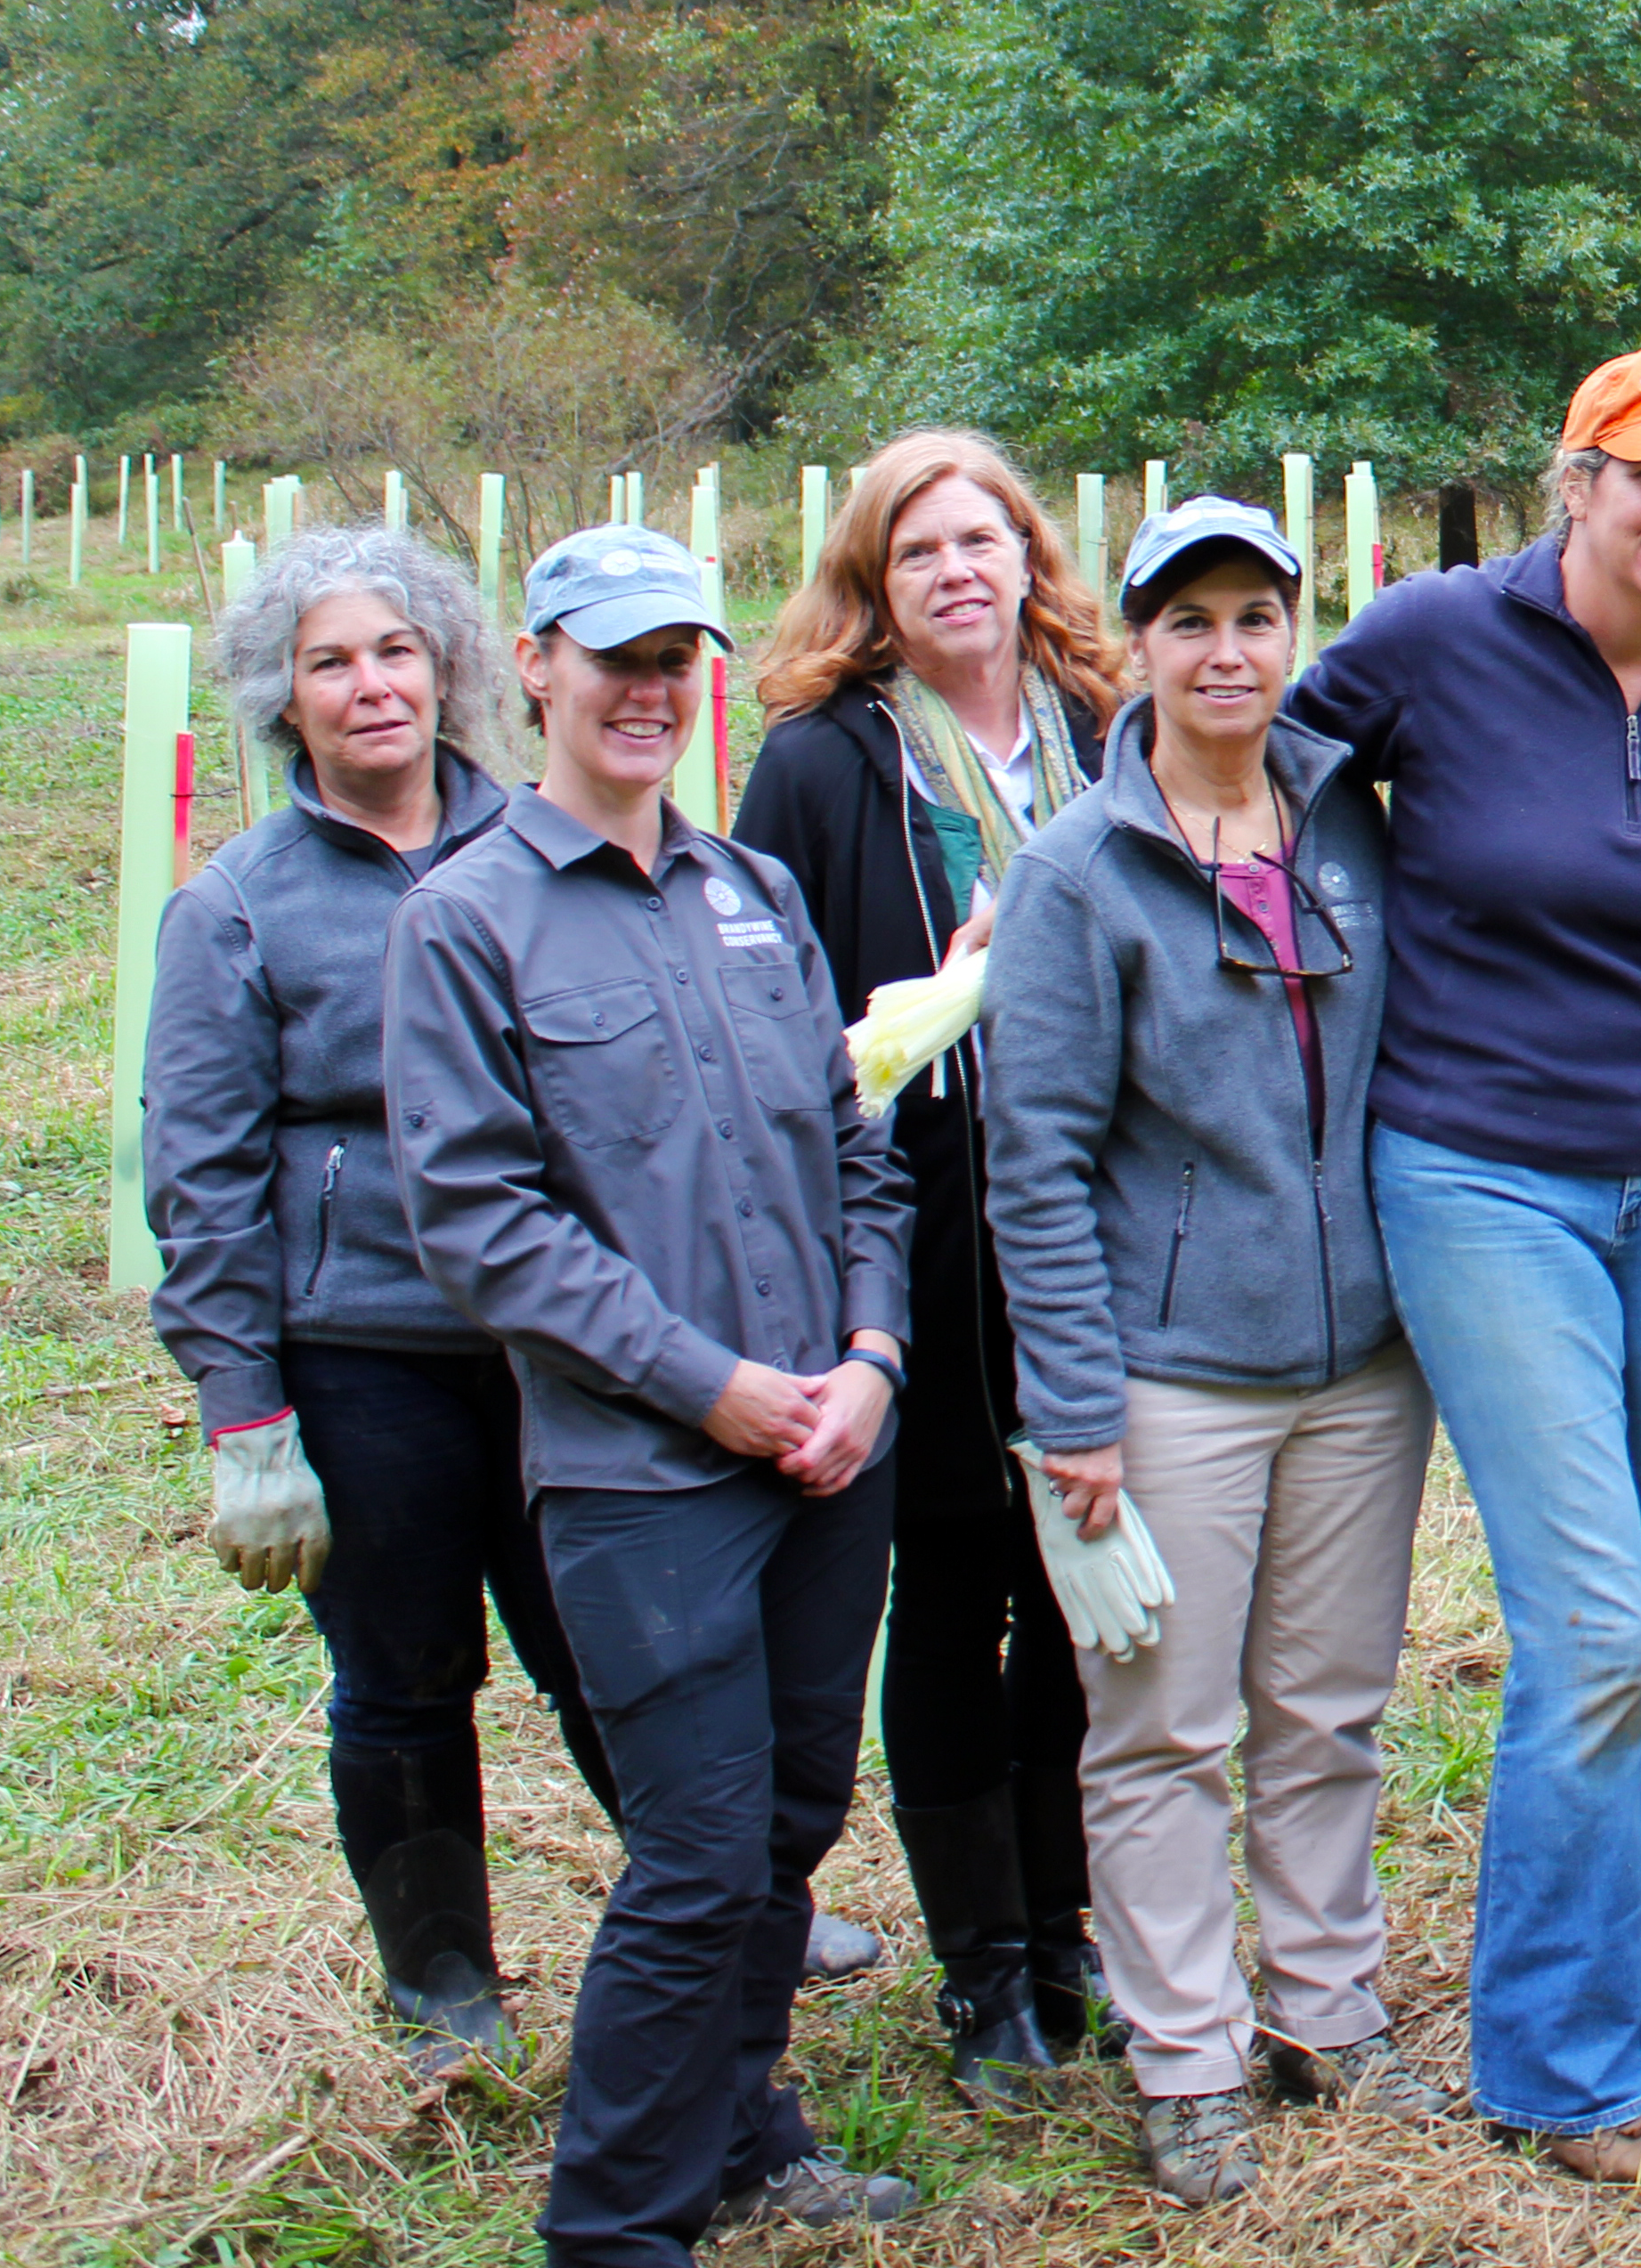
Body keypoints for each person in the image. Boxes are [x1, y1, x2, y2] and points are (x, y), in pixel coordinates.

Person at [1284, 349, 1641, 2184]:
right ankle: (1558, 2060)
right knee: (1594, 1628)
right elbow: (1248, 776)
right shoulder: (1434, 637)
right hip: (1479, 1170)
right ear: (1571, 482)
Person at [385, 527, 922, 2257]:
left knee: (787, 1819)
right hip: (645, 1476)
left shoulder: (750, 896)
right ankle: (614, 2224)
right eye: (608, 654)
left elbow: (863, 1155)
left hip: (828, 1454)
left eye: (675, 652)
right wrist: (724, 1395)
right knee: (694, 1848)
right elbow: (488, 1230)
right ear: (532, 666)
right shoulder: (466, 922)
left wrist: (871, 1359)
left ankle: (747, 2128)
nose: (645, 687)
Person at [982, 498, 1441, 2206]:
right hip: (1171, 1372)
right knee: (1164, 1728)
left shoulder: (1352, 822)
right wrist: (1073, 1412)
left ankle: (1331, 2004)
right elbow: (1032, 1158)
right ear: (1141, 646)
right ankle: (1186, 2052)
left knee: (1329, 1706)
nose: (1229, 653)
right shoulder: (1077, 875)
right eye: (1192, 624)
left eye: (1257, 618)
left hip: (1361, 1362)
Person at [145, 524, 622, 2077]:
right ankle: (442, 1983)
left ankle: (719, 1897)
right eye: (330, 662)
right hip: (370, 1357)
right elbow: (201, 1179)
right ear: (284, 701)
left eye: (396, 651)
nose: (370, 687)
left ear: (452, 669)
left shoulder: (547, 846)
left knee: (620, 1639)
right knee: (408, 1675)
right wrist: (244, 1413)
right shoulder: (237, 909)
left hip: (558, 1336)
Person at [735, 429, 1123, 2100]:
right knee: (958, 1585)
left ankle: (1069, 1923)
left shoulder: (1111, 730)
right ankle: (984, 1972)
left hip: (1100, 1211)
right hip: (926, 1222)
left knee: (1084, 1596)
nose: (960, 572)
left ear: (1030, 556)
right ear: (873, 589)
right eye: (919, 554)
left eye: (984, 540)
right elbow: (772, 1023)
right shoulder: (825, 765)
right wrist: (938, 998)